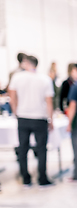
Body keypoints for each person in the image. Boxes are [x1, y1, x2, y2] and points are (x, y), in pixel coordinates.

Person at [8, 55, 54, 187]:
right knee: (41, 149)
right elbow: (49, 102)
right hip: (40, 117)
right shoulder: (45, 79)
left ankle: (26, 179)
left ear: (27, 63)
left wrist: (16, 112)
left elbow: (12, 98)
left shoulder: (17, 78)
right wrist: (50, 119)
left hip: (23, 116)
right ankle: (42, 178)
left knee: (23, 148)